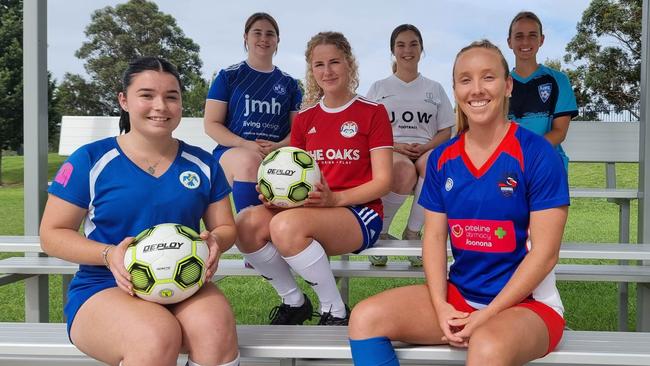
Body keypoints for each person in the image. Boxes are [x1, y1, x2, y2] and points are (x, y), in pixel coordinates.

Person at [349, 40, 569, 366]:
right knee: (365, 319)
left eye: (488, 78)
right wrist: (441, 307)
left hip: (527, 305)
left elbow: (545, 254)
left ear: (508, 85)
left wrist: (487, 316)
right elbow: (435, 239)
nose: (476, 89)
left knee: (487, 346)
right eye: (465, 80)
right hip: (461, 296)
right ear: (454, 89)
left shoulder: (537, 154)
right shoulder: (442, 159)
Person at [41, 57, 240, 366]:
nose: (160, 105)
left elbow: (226, 228)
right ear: (124, 100)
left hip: (184, 281)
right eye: (147, 95)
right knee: (155, 336)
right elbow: (51, 235)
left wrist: (214, 240)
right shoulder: (90, 160)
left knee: (215, 329)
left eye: (171, 96)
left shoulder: (203, 163)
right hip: (106, 286)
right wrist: (109, 255)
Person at [236, 31, 393, 326]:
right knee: (245, 223)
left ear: (349, 64)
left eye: (334, 62)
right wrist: (276, 193)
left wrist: (336, 199)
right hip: (312, 210)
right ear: (311, 70)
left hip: (360, 211)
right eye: (318, 64)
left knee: (285, 226)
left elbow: (384, 181)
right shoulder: (306, 119)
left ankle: (335, 310)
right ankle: (294, 301)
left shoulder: (373, 112)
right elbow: (293, 172)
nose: (327, 71)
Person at [366, 24, 454, 267]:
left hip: (426, 149)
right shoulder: (378, 88)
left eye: (413, 44)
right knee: (403, 170)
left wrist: (426, 148)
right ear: (393, 50)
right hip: (392, 150)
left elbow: (445, 129)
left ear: (421, 49)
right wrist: (394, 146)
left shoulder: (434, 88)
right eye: (401, 45)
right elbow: (368, 130)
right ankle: (380, 232)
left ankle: (413, 233)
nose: (407, 50)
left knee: (434, 163)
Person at [204, 12, 302, 213]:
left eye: (270, 34)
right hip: (232, 152)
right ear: (246, 37)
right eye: (257, 33)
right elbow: (211, 124)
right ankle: (250, 234)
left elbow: (298, 131)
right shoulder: (229, 76)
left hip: (276, 153)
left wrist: (278, 146)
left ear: (277, 40)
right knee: (249, 161)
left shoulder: (289, 84)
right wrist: (245, 144)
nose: (264, 39)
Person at [507, 11, 578, 170]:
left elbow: (559, 131)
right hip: (510, 163)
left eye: (532, 35)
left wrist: (529, 153)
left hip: (547, 161)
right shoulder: (500, 84)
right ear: (509, 42)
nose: (525, 41)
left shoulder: (559, 80)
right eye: (519, 36)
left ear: (541, 40)